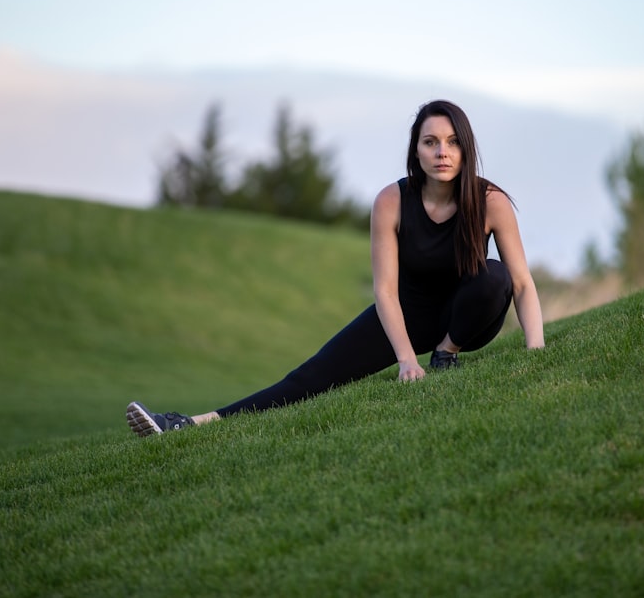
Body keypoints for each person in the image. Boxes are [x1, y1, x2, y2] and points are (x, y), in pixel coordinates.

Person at [127, 99, 545, 436]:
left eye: (452, 142)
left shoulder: (490, 201)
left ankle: (445, 353)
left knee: (497, 275)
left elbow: (522, 286)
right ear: (415, 151)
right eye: (430, 142)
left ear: (465, 148)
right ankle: (185, 423)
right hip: (405, 313)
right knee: (308, 379)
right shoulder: (391, 201)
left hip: (468, 317)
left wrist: (536, 351)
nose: (441, 152)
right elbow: (384, 291)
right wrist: (404, 359)